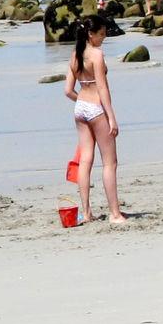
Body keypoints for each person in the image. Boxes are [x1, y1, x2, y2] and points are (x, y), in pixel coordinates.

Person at [65, 13, 126, 225]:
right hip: (95, 107)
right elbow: (102, 87)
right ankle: (115, 214)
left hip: (80, 106)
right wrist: (112, 118)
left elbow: (67, 90)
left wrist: (82, 101)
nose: (104, 37)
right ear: (90, 34)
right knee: (110, 162)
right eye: (101, 34)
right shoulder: (96, 55)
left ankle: (86, 212)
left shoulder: (74, 54)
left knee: (85, 160)